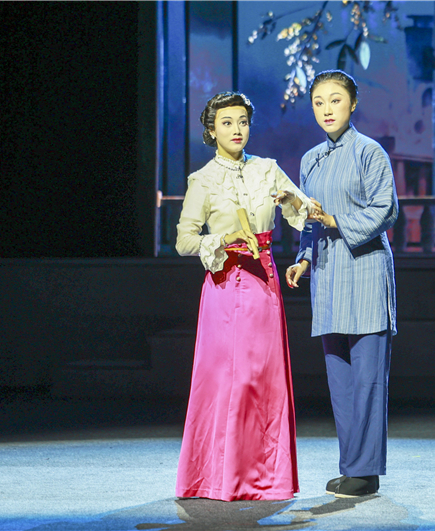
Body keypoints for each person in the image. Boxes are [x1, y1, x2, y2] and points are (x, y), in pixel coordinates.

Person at [175, 91, 310, 502]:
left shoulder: (267, 169)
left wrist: (293, 199)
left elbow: (304, 211)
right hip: (224, 284)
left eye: (243, 122)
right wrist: (224, 238)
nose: (236, 130)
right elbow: (184, 240)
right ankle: (218, 478)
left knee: (263, 381)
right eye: (227, 122)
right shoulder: (202, 180)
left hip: (263, 284)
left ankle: (265, 479)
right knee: (223, 380)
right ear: (211, 130)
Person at [285, 70, 398, 498]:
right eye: (318, 102)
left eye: (335, 100)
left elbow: (385, 210)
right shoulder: (310, 159)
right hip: (329, 273)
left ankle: (366, 472)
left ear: (352, 104)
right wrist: (303, 258)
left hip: (364, 269)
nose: (326, 109)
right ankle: (353, 467)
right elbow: (307, 220)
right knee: (340, 378)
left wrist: (334, 220)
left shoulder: (370, 152)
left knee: (367, 378)